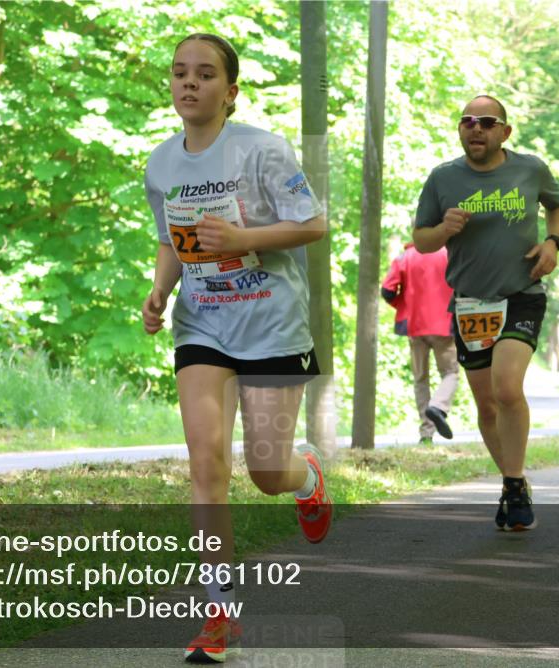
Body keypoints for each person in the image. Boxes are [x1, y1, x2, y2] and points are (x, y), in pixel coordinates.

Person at [142, 33, 332, 663]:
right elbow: (172, 241)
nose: (188, 83)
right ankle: (217, 613)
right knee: (206, 466)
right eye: (178, 73)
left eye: (203, 74)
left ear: (231, 91)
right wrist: (159, 292)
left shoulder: (261, 150)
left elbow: (314, 224)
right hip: (203, 328)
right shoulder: (161, 164)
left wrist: (241, 237)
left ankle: (306, 480)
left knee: (266, 471)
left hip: (272, 326)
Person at [413, 95, 559, 531]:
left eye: (486, 122)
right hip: (470, 303)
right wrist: (443, 229)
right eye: (467, 121)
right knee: (486, 404)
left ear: (505, 131)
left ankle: (515, 485)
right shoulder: (443, 178)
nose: (475, 128)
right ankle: (513, 481)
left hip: (521, 294)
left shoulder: (529, 168)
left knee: (506, 387)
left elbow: (557, 204)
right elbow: (422, 240)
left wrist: (553, 243)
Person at [381, 243, 459, 443]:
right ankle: (439, 405)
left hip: (415, 326)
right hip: (444, 325)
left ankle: (426, 434)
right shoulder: (450, 254)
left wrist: (403, 305)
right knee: (450, 373)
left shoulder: (405, 257)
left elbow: (387, 291)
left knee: (420, 379)